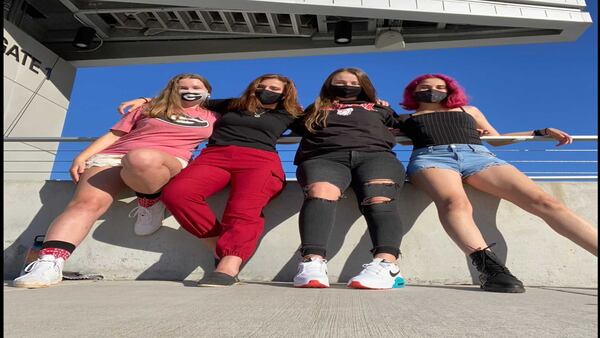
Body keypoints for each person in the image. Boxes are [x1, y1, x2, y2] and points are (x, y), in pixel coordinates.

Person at [395, 73, 598, 293]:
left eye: (439, 87)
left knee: (545, 201)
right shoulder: (405, 119)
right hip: (431, 158)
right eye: (425, 87)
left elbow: (497, 139)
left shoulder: (468, 111)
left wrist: (541, 132)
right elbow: (374, 130)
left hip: (478, 156)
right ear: (414, 91)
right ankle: (492, 271)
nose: (433, 90)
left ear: (450, 90)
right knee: (455, 203)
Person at [13, 73, 219, 288]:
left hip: (166, 160)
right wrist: (82, 156)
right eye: (182, 87)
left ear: (207, 92)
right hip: (115, 155)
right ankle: (49, 263)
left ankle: (150, 201)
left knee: (141, 158)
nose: (189, 90)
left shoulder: (214, 116)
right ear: (172, 90)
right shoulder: (150, 108)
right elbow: (115, 134)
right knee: (85, 203)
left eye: (196, 86)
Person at [121, 74, 304, 287]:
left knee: (244, 209)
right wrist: (146, 100)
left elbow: (322, 125)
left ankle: (228, 266)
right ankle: (222, 246)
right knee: (178, 194)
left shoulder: (291, 113)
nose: (266, 90)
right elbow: (190, 99)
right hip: (216, 155)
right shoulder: (233, 104)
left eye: (274, 88)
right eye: (261, 86)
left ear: (285, 93)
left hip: (259, 160)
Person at [292, 68, 407, 290]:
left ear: (363, 85)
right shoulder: (315, 108)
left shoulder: (380, 108)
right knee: (320, 192)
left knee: (379, 198)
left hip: (376, 156)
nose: (346, 85)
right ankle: (312, 262)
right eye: (340, 82)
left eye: (353, 82)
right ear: (329, 85)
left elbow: (411, 124)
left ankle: (387, 265)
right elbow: (286, 123)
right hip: (324, 157)